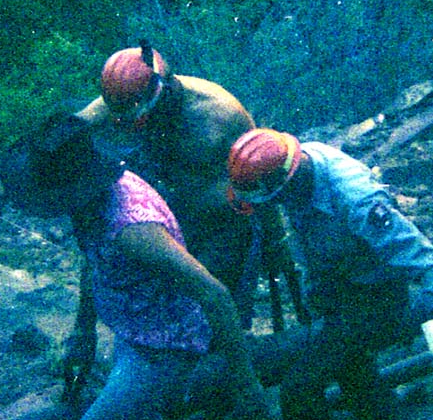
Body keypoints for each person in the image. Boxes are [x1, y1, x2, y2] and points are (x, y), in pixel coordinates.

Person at [1, 113, 267, 420]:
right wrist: (83, 332)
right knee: (138, 419)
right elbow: (95, 263)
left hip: (166, 346)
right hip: (137, 330)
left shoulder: (132, 227)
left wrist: (245, 383)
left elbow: (214, 294)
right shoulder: (91, 205)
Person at [67, 43, 298, 393]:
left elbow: (260, 179)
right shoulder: (120, 100)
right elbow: (71, 135)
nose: (131, 129)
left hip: (224, 227)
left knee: (219, 312)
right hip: (171, 222)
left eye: (137, 121)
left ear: (159, 94)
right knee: (173, 314)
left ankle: (235, 392)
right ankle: (193, 387)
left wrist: (276, 241)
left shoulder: (218, 114)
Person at [226, 128, 433, 420]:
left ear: (284, 187)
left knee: (299, 387)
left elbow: (425, 263)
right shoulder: (302, 164)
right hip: (342, 278)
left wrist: (431, 321)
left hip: (379, 291)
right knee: (343, 351)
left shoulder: (357, 200)